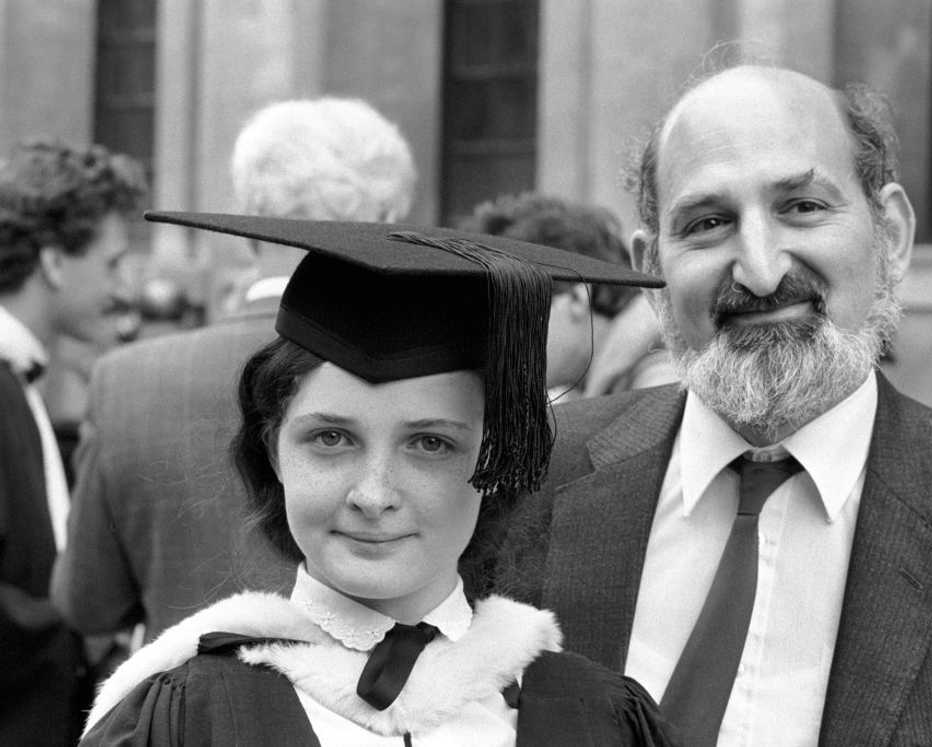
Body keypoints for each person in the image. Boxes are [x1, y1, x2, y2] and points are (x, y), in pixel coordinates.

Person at [494, 62, 932, 745]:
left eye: (802, 207)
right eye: (708, 222)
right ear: (653, 273)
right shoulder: (527, 477)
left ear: (893, 236)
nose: (760, 269)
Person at [79, 211, 676, 745]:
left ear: (494, 459)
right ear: (273, 449)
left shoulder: (597, 719)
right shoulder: (180, 721)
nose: (373, 494)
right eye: (330, 439)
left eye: (430, 444)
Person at [52, 97, 418, 643]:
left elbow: (87, 604)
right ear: (387, 223)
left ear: (248, 225)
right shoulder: (430, 384)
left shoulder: (128, 381)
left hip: (178, 716)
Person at [0, 138, 145, 746]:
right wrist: (82, 618)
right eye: (111, 263)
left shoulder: (20, 379)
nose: (122, 289)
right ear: (55, 262)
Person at [457, 192, 675, 401]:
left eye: (510, 319)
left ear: (577, 299)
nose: (497, 345)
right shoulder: (611, 387)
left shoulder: (656, 383)